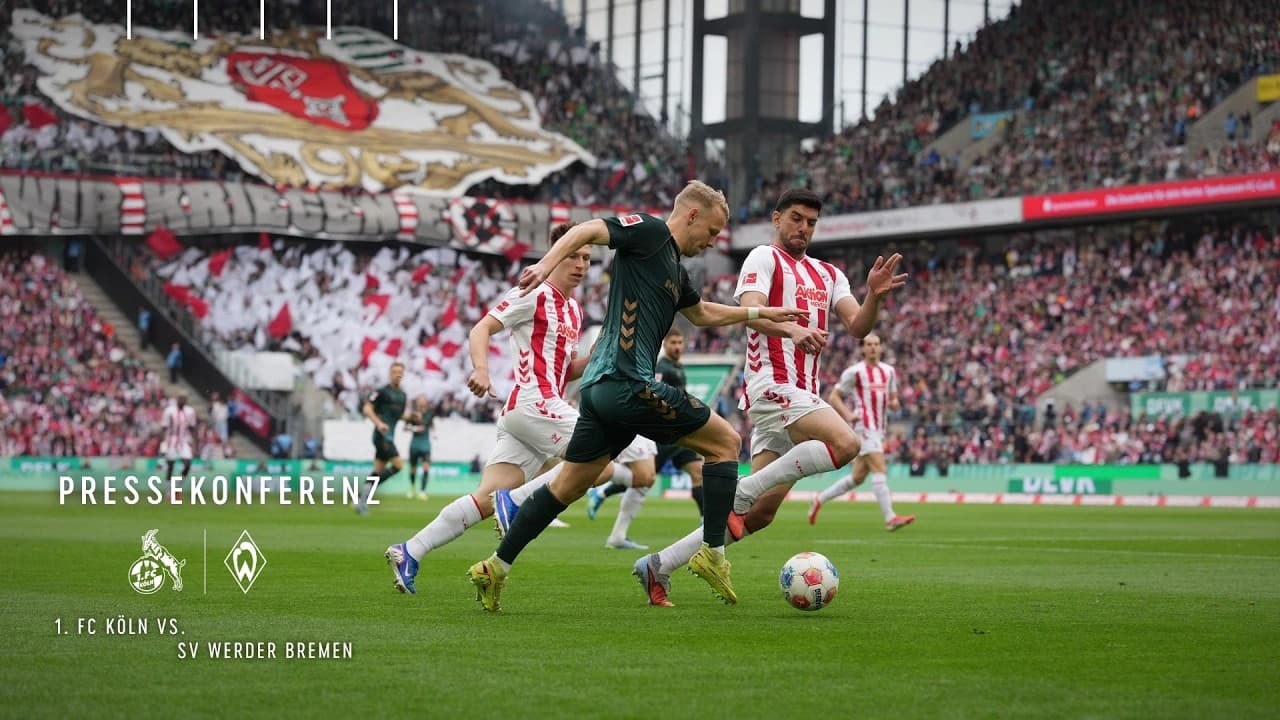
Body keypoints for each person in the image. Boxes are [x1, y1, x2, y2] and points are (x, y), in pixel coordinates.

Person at [464, 180, 805, 612]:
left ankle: (494, 566)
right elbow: (586, 230)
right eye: (714, 232)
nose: (715, 241)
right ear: (693, 215)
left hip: (601, 392)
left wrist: (761, 314)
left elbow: (701, 315)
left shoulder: (675, 271)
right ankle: (713, 553)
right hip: (627, 383)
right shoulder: (648, 232)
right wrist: (546, 262)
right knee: (725, 444)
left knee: (566, 487)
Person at [636, 187, 906, 606]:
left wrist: (873, 296)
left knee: (759, 515)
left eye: (811, 222)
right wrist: (793, 329)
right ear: (777, 219)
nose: (803, 228)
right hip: (771, 386)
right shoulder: (763, 257)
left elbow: (858, 327)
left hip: (801, 396)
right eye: (796, 218)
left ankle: (659, 564)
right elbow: (752, 308)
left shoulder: (830, 275)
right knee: (846, 443)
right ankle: (739, 492)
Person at [384, 224, 646, 594]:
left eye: (587, 258)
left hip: (532, 410)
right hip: (532, 402)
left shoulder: (572, 310)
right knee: (599, 463)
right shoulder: (534, 292)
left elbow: (566, 370)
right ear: (556, 253)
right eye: (573, 255)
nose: (581, 264)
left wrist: (600, 351)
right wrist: (481, 369)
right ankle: (517, 501)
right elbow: (481, 329)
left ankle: (410, 551)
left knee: (485, 500)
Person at [586, 327, 705, 517]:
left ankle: (704, 521)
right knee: (643, 477)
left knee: (697, 472)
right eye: (673, 343)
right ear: (665, 345)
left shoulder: (678, 367)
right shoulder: (662, 368)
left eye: (680, 343)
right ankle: (602, 492)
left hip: (678, 431)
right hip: (663, 433)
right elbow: (653, 394)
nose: (677, 347)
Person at [808, 333, 916, 530]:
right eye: (869, 344)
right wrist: (848, 415)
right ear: (863, 349)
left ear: (881, 347)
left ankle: (819, 499)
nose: (873, 347)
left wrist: (894, 403)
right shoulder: (855, 372)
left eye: (876, 344)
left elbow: (893, 399)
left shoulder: (888, 371)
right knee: (879, 468)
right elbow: (834, 397)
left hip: (880, 427)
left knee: (858, 477)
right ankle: (890, 518)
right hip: (864, 426)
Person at [358, 361, 412, 514]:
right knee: (399, 465)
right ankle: (362, 498)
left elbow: (399, 415)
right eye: (394, 371)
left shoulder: (402, 396)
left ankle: (362, 500)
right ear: (390, 373)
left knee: (378, 471)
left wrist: (411, 418)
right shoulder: (381, 391)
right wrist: (379, 423)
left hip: (389, 437)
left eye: (399, 372)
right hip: (382, 436)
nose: (397, 374)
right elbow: (367, 408)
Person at [160, 392, 198, 483]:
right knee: (171, 465)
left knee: (187, 464)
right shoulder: (169, 411)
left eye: (184, 398)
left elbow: (192, 428)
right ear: (177, 399)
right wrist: (163, 445)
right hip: (171, 440)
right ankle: (169, 490)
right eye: (180, 398)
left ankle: (177, 485)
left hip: (184, 440)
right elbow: (164, 428)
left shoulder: (190, 411)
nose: (182, 400)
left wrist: (194, 444)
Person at [405, 396, 435, 500]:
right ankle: (412, 488)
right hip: (415, 444)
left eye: (423, 400)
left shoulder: (429, 414)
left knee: (426, 467)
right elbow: (405, 428)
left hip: (425, 444)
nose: (422, 402)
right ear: (417, 402)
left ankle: (422, 491)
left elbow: (431, 426)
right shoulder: (413, 414)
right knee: (413, 468)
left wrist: (435, 434)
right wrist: (415, 428)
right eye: (420, 400)